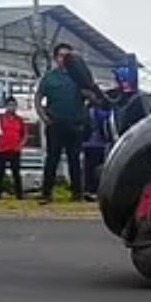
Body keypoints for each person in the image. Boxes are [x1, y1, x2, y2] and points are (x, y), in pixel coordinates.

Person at [37, 43, 88, 203]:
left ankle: (77, 194)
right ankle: (46, 193)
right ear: (55, 58)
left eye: (68, 56)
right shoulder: (50, 77)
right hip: (55, 124)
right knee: (52, 159)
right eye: (61, 55)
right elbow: (38, 97)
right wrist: (44, 117)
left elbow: (92, 96)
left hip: (75, 124)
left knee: (75, 160)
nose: (64, 59)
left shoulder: (80, 77)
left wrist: (88, 94)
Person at [0, 96, 29, 199]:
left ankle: (19, 195)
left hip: (14, 150)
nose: (12, 107)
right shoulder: (1, 118)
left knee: (16, 173)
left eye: (14, 105)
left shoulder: (19, 120)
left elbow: (24, 134)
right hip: (2, 150)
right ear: (6, 106)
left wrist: (20, 145)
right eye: (10, 105)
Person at [82, 102, 113, 198]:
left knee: (87, 168)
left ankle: (87, 189)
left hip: (86, 144)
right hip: (100, 144)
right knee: (99, 168)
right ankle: (95, 190)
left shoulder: (84, 112)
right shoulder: (103, 113)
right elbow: (107, 128)